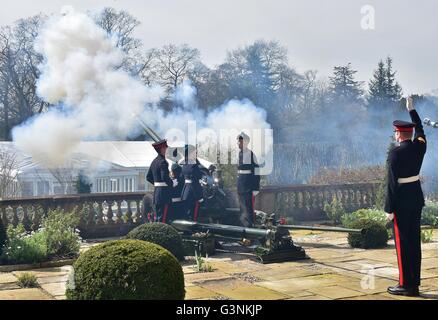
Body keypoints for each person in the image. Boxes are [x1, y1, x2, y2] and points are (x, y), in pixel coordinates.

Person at [385, 96, 427, 297]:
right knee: (414, 242)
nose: (394, 135)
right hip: (416, 198)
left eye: (395, 132)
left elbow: (392, 184)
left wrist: (389, 209)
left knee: (403, 244)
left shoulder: (395, 154)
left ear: (399, 134)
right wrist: (412, 111)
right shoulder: (420, 146)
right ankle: (415, 284)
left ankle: (405, 284)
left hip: (401, 202)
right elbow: (421, 130)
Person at [236, 132, 260, 228]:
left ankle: (249, 229)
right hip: (241, 184)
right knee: (242, 208)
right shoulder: (239, 154)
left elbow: (256, 171)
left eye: (240, 141)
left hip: (249, 184)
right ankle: (243, 228)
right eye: (238, 141)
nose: (238, 143)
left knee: (248, 208)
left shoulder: (251, 154)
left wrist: (255, 188)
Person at [146, 139, 173, 223]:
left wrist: (158, 184)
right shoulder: (163, 162)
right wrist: (171, 183)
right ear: (162, 149)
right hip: (164, 194)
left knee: (158, 217)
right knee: (164, 219)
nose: (167, 150)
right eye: (166, 148)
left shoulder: (154, 161)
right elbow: (164, 177)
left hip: (157, 192)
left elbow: (148, 177)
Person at [181, 145, 204, 221]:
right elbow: (195, 183)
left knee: (187, 213)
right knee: (194, 215)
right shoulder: (194, 166)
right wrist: (199, 197)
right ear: (190, 153)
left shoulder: (185, 164)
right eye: (195, 152)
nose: (196, 154)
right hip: (193, 192)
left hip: (186, 191)